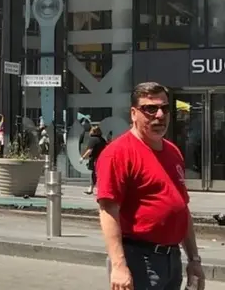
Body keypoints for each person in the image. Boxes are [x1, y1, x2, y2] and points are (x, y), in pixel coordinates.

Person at [96, 82, 204, 290]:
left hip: (172, 259)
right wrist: (119, 266)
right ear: (134, 113)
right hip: (139, 259)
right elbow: (108, 211)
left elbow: (182, 209)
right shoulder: (117, 153)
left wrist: (194, 260)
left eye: (164, 108)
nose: (160, 115)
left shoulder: (173, 152)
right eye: (151, 109)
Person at [80, 125, 107, 195]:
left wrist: (83, 157)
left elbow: (89, 150)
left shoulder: (92, 139)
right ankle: (99, 188)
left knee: (94, 174)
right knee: (99, 174)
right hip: (103, 159)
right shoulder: (103, 140)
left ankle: (91, 189)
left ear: (93, 131)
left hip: (95, 159)